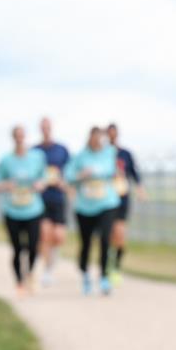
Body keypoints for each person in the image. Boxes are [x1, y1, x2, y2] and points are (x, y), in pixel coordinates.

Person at [0, 125, 47, 296]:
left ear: (26, 137)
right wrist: (5, 185)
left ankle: (29, 273)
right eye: (17, 136)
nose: (20, 139)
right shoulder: (6, 160)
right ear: (13, 138)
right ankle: (19, 282)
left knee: (33, 246)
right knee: (16, 248)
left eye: (22, 136)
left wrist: (40, 184)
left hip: (33, 209)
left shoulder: (37, 157)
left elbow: (44, 178)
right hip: (12, 210)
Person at [65, 126, 121, 295]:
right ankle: (85, 274)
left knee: (105, 239)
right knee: (86, 243)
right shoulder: (80, 156)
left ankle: (104, 276)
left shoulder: (109, 152)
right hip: (84, 207)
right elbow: (68, 176)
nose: (97, 141)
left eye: (100, 138)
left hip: (106, 203)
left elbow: (112, 170)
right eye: (94, 138)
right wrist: (81, 175)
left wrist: (97, 172)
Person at [34, 117, 70, 286]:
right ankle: (47, 271)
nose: (45, 130)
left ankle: (53, 258)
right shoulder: (34, 151)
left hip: (58, 198)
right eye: (43, 127)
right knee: (45, 235)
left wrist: (65, 183)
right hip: (41, 199)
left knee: (59, 237)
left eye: (48, 127)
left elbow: (70, 170)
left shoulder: (62, 149)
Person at [106, 122, 144, 284]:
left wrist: (140, 189)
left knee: (120, 235)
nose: (112, 136)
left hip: (122, 199)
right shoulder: (102, 154)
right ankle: (106, 263)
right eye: (109, 134)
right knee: (108, 234)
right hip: (105, 200)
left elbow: (134, 174)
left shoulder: (126, 154)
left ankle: (116, 266)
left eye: (114, 133)